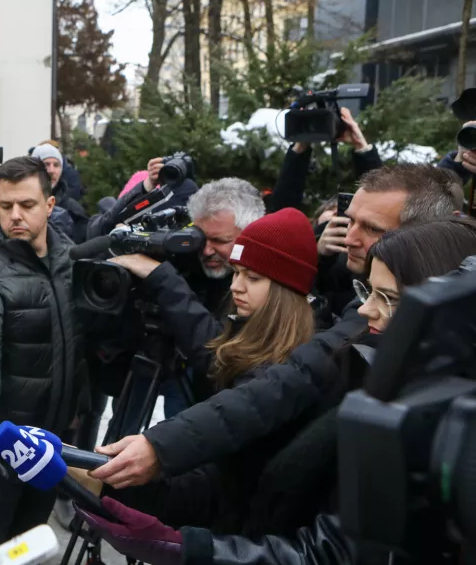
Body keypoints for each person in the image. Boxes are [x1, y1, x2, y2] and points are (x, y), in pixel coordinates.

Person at [76, 218, 476, 565]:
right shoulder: (346, 369)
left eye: (387, 299)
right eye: (367, 292)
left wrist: (185, 547)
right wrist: (127, 489)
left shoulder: (341, 386)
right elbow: (233, 483)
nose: (366, 310)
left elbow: (330, 550)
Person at [87, 164, 461, 492]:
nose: (349, 237)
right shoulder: (363, 301)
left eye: (372, 228)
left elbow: (280, 383)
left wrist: (161, 448)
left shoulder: (390, 327)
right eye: (350, 221)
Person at [91, 209, 322, 531]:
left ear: (288, 292)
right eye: (236, 272)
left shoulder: (287, 371)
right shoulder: (248, 333)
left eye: (252, 277)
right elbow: (214, 352)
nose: (236, 286)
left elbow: (224, 484)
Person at [0, 156, 87, 545]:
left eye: (26, 205)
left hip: (52, 437)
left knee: (30, 544)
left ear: (50, 204)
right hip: (0, 440)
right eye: (5, 205)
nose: (15, 215)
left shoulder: (69, 256)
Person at [317, 164, 462, 312]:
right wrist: (320, 260)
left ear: (431, 233)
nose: (348, 240)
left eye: (373, 229)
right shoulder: (342, 265)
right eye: (351, 221)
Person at [31, 143, 88, 243]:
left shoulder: (73, 208)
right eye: (46, 164)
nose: (52, 170)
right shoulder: (20, 203)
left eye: (56, 165)